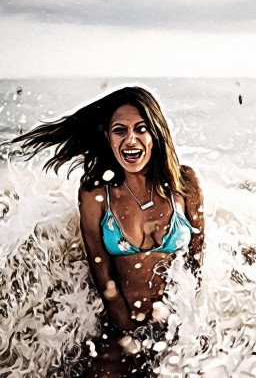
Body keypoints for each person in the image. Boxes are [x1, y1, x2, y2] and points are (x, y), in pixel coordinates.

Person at [12, 86, 205, 377]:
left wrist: (194, 323)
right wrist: (126, 328)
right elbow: (100, 269)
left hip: (180, 325)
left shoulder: (184, 183)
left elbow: (197, 258)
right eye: (120, 130)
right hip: (123, 323)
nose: (131, 139)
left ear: (156, 133)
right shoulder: (95, 193)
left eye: (141, 129)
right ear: (108, 138)